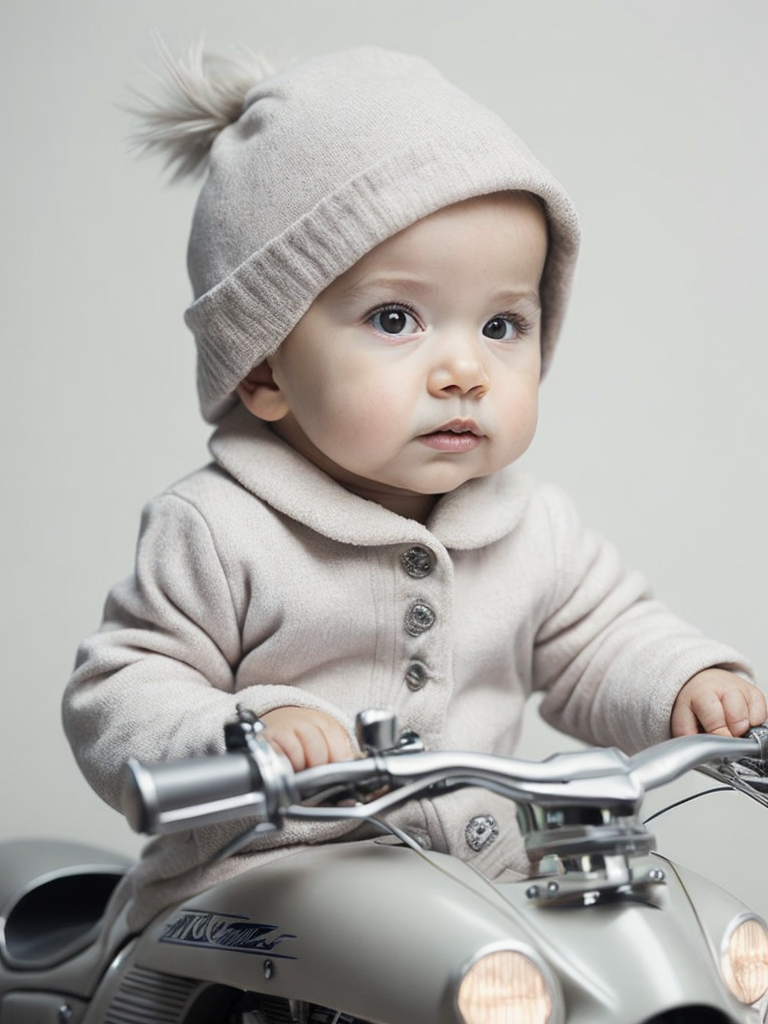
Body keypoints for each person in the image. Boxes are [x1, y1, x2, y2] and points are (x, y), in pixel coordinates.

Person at [62, 44, 765, 931]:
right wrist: (247, 731)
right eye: (396, 319)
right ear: (263, 368)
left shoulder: (530, 528)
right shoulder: (218, 529)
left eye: (504, 323)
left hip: (478, 894)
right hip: (259, 906)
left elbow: (600, 640)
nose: (465, 369)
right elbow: (122, 691)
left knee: (645, 937)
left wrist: (682, 685)